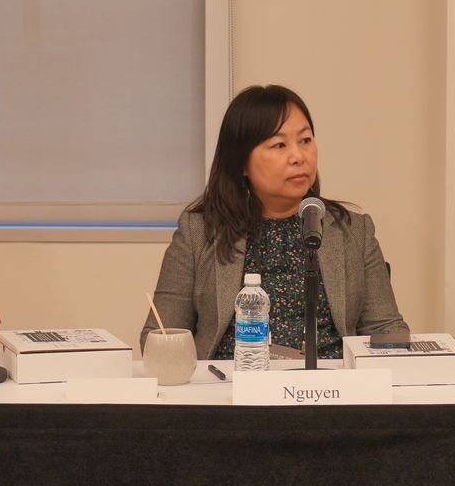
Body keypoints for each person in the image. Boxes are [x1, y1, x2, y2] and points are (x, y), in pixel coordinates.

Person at [145, 84, 406, 361]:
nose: (299, 157)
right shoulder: (199, 232)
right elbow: (158, 334)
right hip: (229, 391)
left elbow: (385, 329)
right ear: (242, 163)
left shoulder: (352, 230)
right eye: (279, 145)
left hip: (330, 391)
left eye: (305, 140)